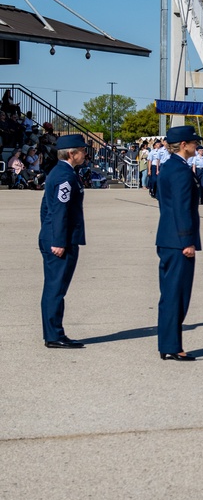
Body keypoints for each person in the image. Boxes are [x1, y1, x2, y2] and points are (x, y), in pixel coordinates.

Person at [155, 125, 203, 361]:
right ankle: (173, 346)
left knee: (171, 293)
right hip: (177, 241)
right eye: (194, 142)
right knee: (177, 294)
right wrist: (188, 241)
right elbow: (182, 208)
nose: (197, 145)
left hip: (168, 237)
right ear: (183, 145)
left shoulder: (169, 166)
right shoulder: (180, 170)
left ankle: (169, 344)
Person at [38, 134, 88, 349]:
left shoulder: (62, 173)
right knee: (55, 288)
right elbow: (59, 211)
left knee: (56, 287)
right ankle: (54, 335)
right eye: (83, 150)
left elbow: (45, 208)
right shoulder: (64, 177)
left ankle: (54, 332)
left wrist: (47, 231)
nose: (85, 154)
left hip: (56, 235)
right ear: (71, 153)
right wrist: (57, 240)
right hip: (60, 240)